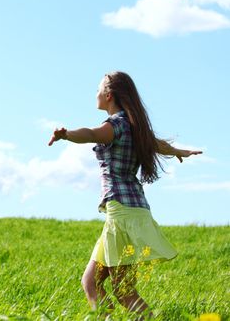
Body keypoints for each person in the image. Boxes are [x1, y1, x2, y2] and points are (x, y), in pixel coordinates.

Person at [47, 71, 202, 320]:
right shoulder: (135, 127)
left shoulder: (116, 125)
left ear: (108, 96)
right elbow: (158, 144)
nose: (95, 93)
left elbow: (91, 134)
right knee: (91, 283)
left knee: (123, 291)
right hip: (131, 210)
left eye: (98, 89)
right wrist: (177, 151)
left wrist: (66, 135)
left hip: (121, 213)